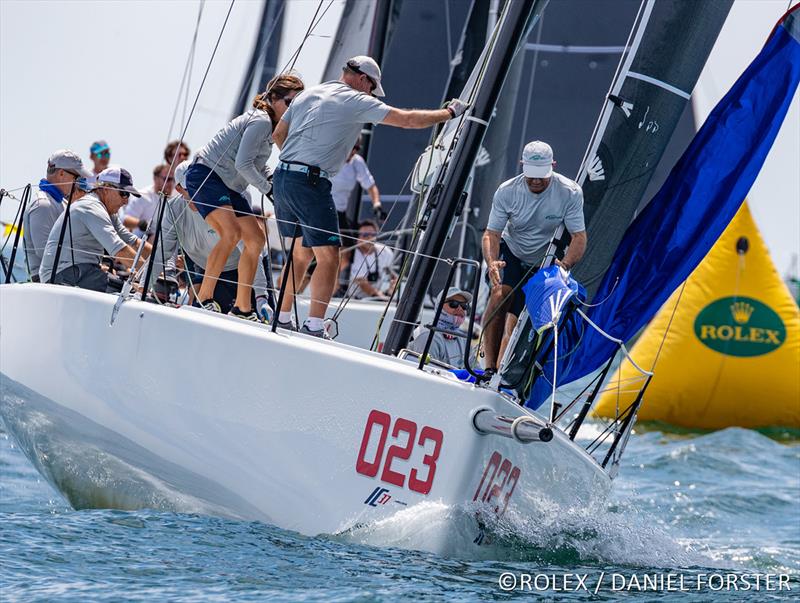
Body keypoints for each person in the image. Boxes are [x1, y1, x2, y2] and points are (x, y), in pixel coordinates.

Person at [272, 55, 468, 337]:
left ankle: (282, 317)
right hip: (311, 183)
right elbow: (408, 120)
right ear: (363, 79)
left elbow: (279, 134)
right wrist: (448, 113)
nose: (371, 94)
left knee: (300, 253)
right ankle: (314, 326)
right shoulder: (356, 100)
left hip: (283, 177)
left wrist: (297, 160)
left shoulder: (308, 93)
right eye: (372, 88)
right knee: (329, 256)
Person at [185, 72, 304, 321]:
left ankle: (242, 307)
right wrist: (268, 190)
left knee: (256, 240)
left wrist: (275, 184)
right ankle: (203, 299)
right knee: (231, 233)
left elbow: (258, 165)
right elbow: (243, 164)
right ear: (273, 98)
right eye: (290, 102)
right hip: (208, 175)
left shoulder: (272, 128)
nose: (294, 109)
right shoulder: (261, 121)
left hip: (231, 184)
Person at [481, 141, 587, 372]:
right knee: (500, 295)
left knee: (518, 318)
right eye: (531, 175)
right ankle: (488, 367)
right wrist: (492, 263)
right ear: (522, 166)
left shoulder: (569, 192)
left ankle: (502, 371)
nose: (536, 180)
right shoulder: (507, 191)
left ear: (553, 166)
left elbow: (579, 237)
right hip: (512, 251)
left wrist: (565, 265)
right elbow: (492, 233)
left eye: (542, 175)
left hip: (545, 260)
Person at [153, 161, 271, 318]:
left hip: (244, 270)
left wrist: (261, 297)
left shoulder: (226, 204)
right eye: (192, 189)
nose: (198, 195)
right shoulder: (173, 209)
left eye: (202, 189)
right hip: (206, 269)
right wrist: (142, 288)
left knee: (258, 316)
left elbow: (252, 250)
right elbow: (161, 252)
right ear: (179, 189)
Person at [39, 167, 150, 291]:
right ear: (106, 188)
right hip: (61, 275)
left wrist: (166, 263)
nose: (126, 201)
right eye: (123, 193)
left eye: (128, 195)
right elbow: (120, 250)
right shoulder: (91, 207)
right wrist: (151, 275)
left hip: (81, 271)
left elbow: (134, 242)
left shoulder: (108, 212)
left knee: (130, 289)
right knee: (131, 292)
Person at [23, 150, 91, 281]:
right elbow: (45, 253)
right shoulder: (43, 205)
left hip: (65, 273)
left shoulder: (60, 202)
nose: (77, 182)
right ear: (61, 174)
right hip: (47, 278)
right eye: (76, 178)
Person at [331, 139, 384, 292]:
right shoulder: (329, 155)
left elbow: (370, 185)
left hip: (339, 214)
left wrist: (377, 204)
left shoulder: (357, 162)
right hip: (321, 209)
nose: (353, 151)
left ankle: (330, 288)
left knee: (345, 256)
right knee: (323, 254)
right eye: (351, 147)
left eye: (357, 148)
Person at [408, 287, 472, 368]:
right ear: (439, 306)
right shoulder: (428, 336)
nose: (460, 309)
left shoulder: (464, 339)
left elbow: (475, 368)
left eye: (464, 306)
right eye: (453, 304)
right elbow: (426, 374)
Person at [122, 163, 174, 237]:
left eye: (173, 179)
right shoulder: (143, 196)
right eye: (167, 179)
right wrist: (142, 224)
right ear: (155, 179)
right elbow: (125, 220)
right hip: (143, 240)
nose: (171, 183)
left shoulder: (175, 198)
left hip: (166, 239)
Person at [350, 219, 395, 300]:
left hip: (380, 298)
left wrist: (391, 291)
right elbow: (362, 282)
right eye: (365, 235)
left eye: (372, 234)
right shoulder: (353, 254)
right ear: (358, 239)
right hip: (357, 301)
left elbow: (394, 276)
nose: (369, 238)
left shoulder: (386, 251)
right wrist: (380, 297)